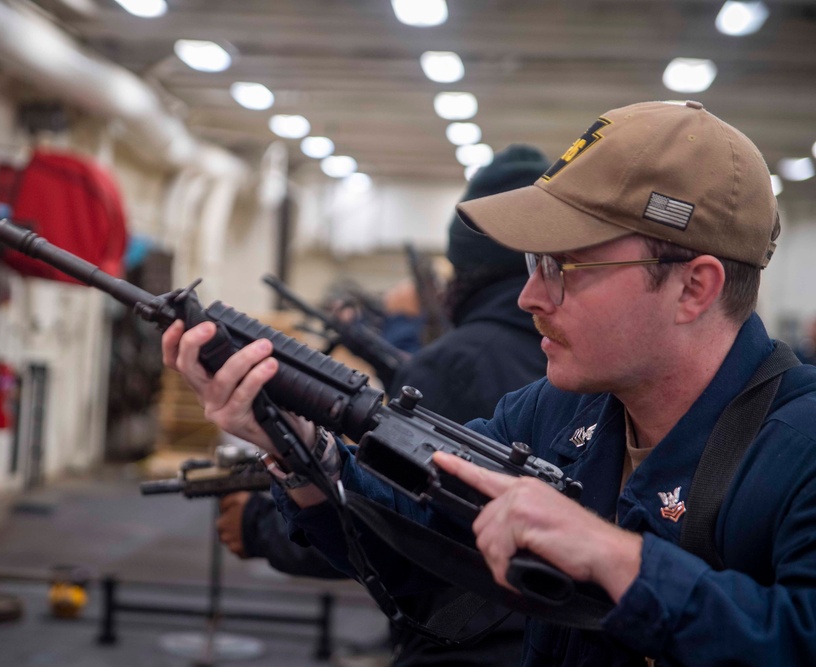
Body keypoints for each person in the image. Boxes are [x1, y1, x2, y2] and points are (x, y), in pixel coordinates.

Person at [163, 101, 816, 666]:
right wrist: (303, 447)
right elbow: (418, 539)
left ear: (692, 287)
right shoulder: (550, 413)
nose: (531, 294)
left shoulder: (800, 448)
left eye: (565, 266)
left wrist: (619, 558)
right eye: (534, 263)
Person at [215, 146, 552, 666]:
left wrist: (260, 529)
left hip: (463, 641)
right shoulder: (573, 371)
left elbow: (406, 533)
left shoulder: (455, 365)